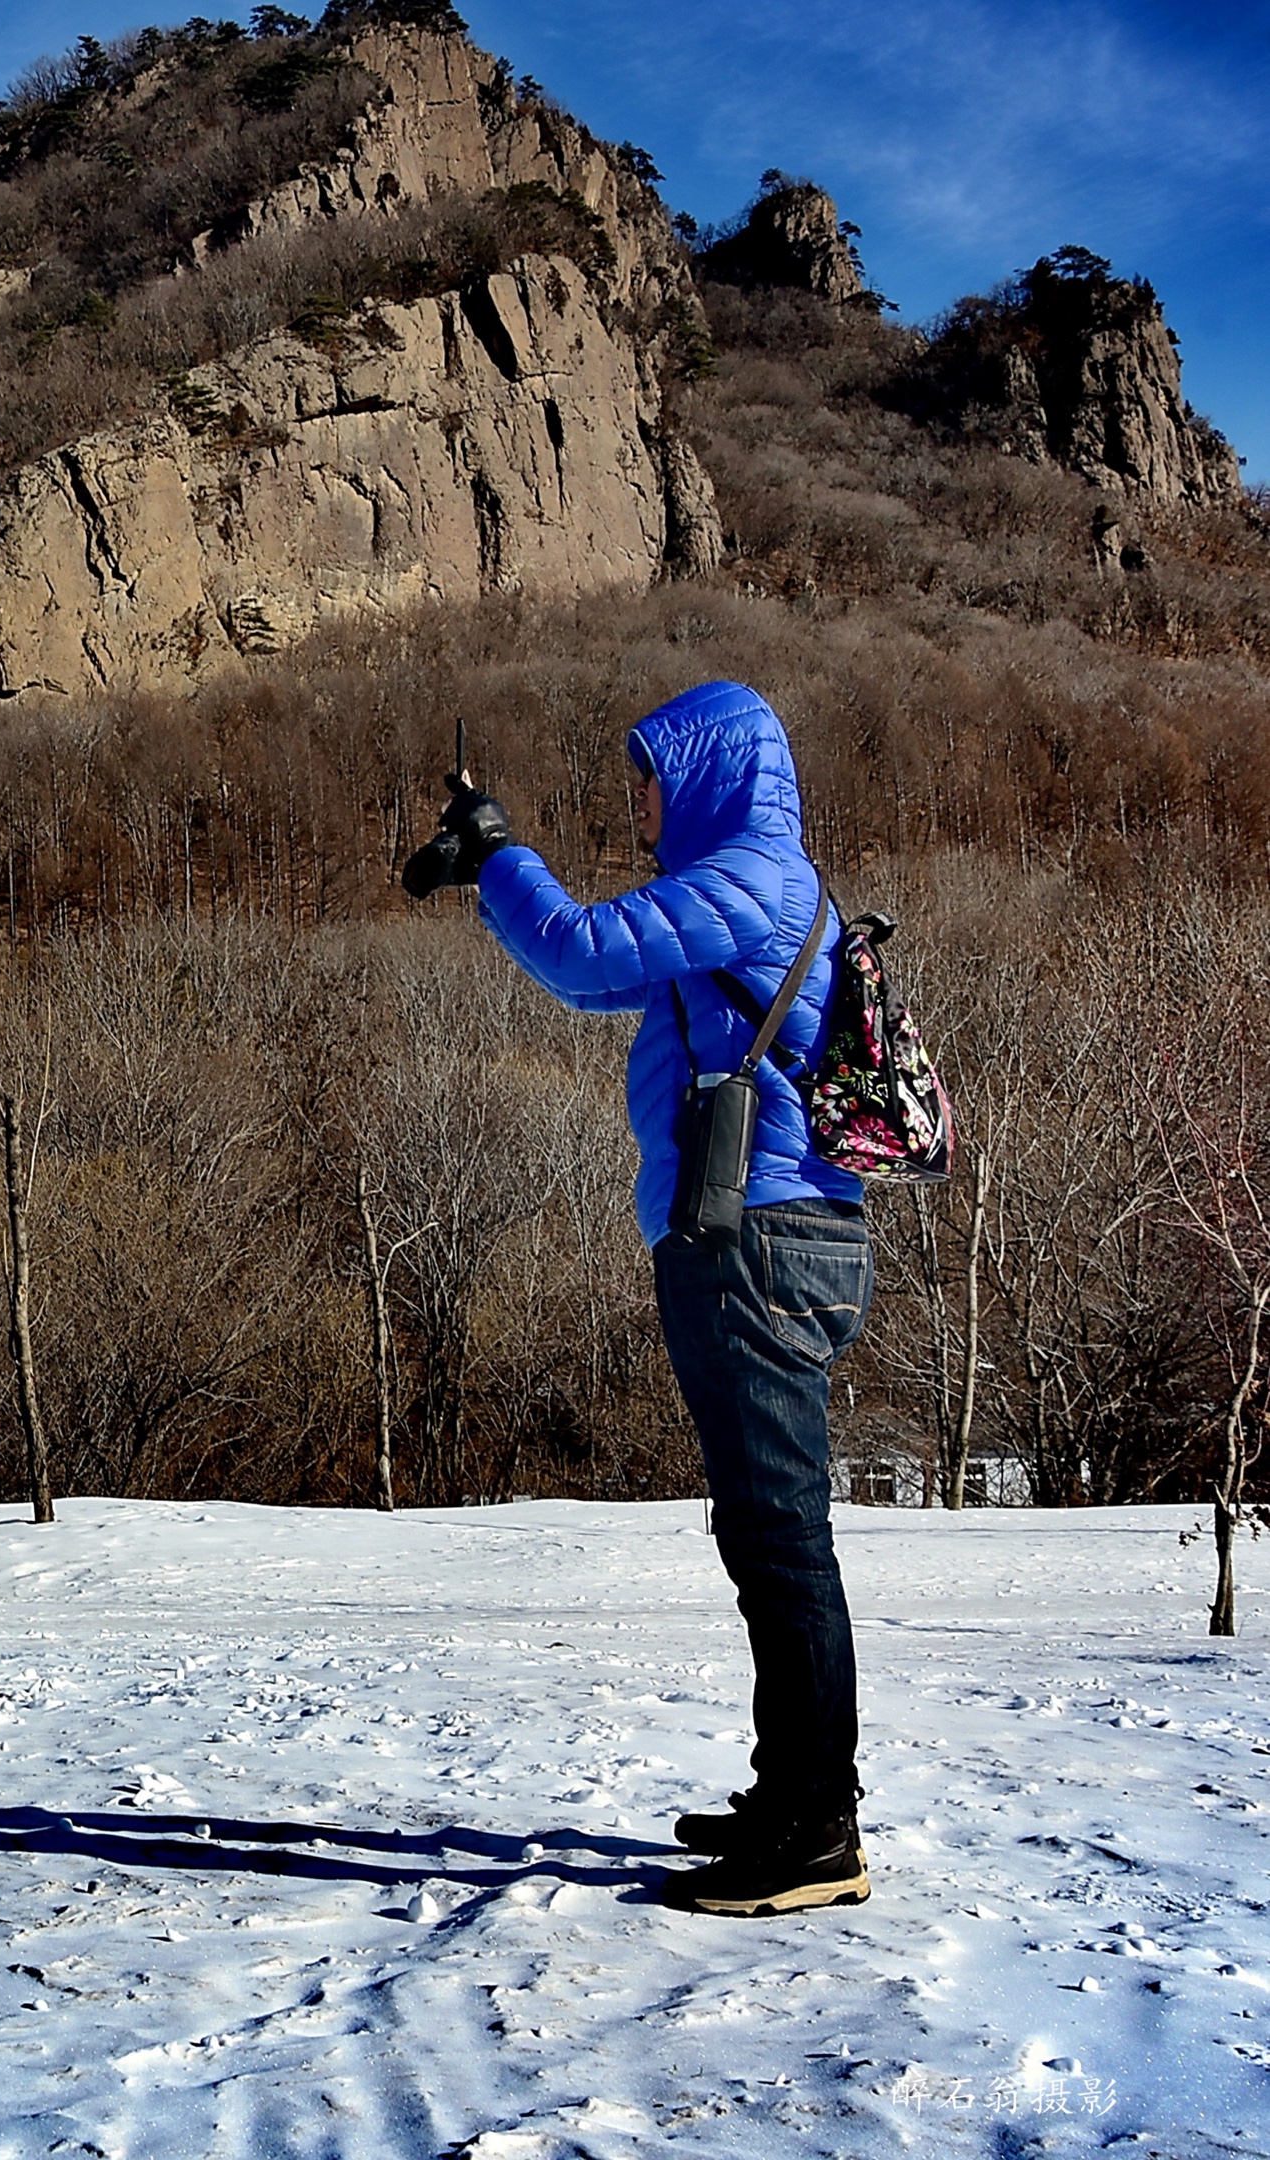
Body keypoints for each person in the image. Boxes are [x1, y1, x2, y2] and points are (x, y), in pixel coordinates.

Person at [403, 679, 874, 1917]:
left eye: (658, 776)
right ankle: (792, 1798)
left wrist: (502, 857)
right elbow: (611, 981)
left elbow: (583, 952)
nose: (648, 800)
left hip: (760, 1241)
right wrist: (495, 874)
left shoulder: (755, 880)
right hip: (765, 1236)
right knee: (765, 1535)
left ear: (716, 772)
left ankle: (818, 1828)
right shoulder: (752, 890)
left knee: (781, 1541)